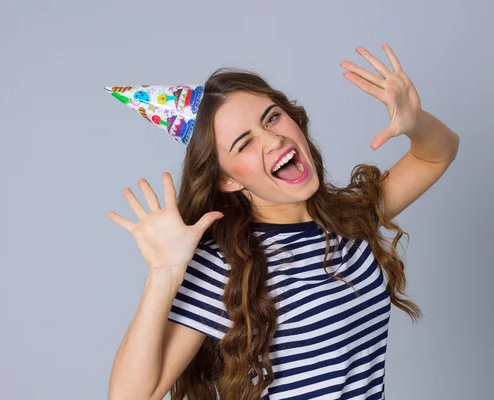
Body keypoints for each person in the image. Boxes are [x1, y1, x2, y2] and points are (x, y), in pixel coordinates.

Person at [106, 45, 460, 400]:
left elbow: (436, 154)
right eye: (244, 144)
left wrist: (417, 122)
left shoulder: (350, 220)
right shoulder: (223, 264)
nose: (273, 139)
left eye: (272, 117)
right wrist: (164, 272)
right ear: (228, 180)